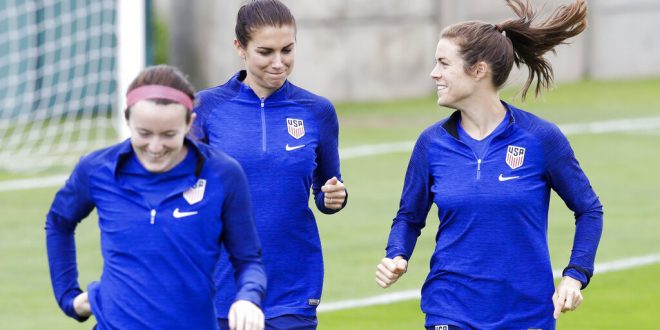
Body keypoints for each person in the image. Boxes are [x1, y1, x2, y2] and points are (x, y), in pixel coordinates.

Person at [375, 0, 603, 329]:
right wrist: (397, 253)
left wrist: (574, 276)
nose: (434, 73)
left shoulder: (540, 139)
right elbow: (409, 217)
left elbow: (589, 209)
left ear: (479, 70)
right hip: (449, 309)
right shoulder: (431, 144)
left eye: (443, 63)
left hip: (527, 314)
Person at [45, 65, 266, 330]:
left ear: (189, 123)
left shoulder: (223, 173)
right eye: (144, 133)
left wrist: (248, 298)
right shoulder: (96, 169)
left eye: (169, 135)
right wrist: (69, 297)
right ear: (127, 120)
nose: (155, 147)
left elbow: (249, 260)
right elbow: (59, 222)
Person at [190, 0, 347, 328]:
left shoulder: (317, 111)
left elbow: (326, 190)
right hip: (220, 281)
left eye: (287, 50)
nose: (279, 63)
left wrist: (333, 198)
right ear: (240, 48)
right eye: (265, 52)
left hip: (292, 280)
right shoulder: (204, 109)